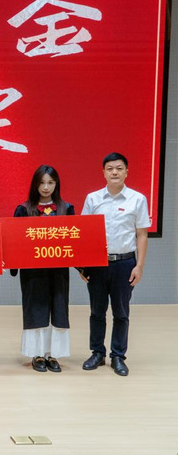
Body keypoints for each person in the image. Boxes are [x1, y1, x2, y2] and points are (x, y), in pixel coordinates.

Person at [80, 152, 149, 376]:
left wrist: (139, 265)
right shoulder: (93, 199)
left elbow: (142, 235)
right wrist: (83, 265)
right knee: (96, 311)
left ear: (127, 172)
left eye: (119, 168)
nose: (115, 172)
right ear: (103, 172)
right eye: (110, 169)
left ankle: (118, 356)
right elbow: (84, 233)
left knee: (121, 312)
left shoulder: (137, 199)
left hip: (125, 263)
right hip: (98, 263)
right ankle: (97, 353)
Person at [11, 165, 74, 373]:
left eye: (50, 183)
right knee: (35, 309)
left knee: (58, 308)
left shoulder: (66, 209)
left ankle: (52, 354)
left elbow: (76, 241)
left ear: (57, 184)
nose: (46, 187)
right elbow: (14, 241)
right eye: (42, 183)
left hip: (58, 270)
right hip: (33, 272)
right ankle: (37, 354)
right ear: (35, 185)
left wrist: (84, 268)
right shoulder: (23, 209)